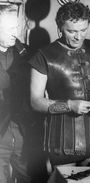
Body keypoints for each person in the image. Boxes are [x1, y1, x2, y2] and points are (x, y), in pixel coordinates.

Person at [29, 1, 90, 168]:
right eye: (72, 31)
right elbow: (35, 102)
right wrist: (69, 105)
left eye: (83, 30)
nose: (78, 36)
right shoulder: (43, 56)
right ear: (59, 27)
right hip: (62, 142)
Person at [0, 2, 32, 183]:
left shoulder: (26, 53)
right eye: (9, 28)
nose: (15, 33)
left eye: (16, 27)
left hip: (22, 130)